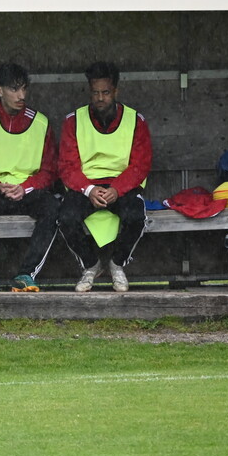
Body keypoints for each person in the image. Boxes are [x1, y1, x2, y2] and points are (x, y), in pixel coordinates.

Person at [0, 62, 59, 293]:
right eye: (14, 89)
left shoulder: (41, 123)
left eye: (24, 89)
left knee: (54, 207)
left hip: (27, 192)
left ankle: (27, 274)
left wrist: (26, 187)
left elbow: (50, 171)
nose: (21, 95)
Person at [58, 61, 152, 292]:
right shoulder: (73, 120)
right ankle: (91, 265)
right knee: (65, 218)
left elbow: (140, 165)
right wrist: (89, 189)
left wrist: (117, 189)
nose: (100, 98)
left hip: (122, 186)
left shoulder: (135, 120)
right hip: (85, 187)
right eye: (95, 93)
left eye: (106, 92)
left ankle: (117, 264)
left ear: (116, 91)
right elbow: (67, 166)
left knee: (136, 217)